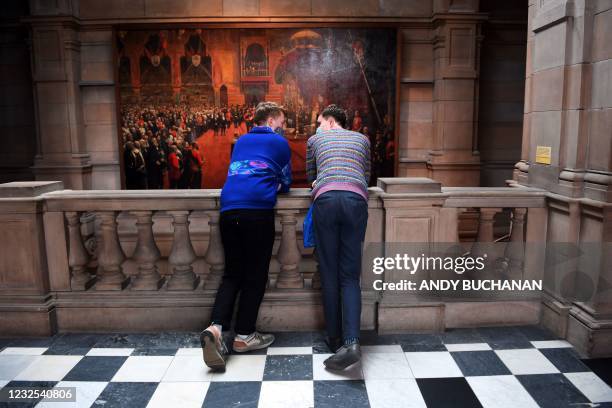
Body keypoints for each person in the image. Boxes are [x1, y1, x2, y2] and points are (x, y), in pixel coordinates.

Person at [200, 101, 291, 371]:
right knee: (256, 274)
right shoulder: (279, 142)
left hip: (229, 209)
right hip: (257, 211)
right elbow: (285, 184)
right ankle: (243, 336)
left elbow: (238, 171)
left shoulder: (240, 141)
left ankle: (216, 329)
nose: (283, 126)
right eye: (282, 121)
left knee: (232, 273)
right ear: (273, 119)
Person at [306, 104, 370, 370]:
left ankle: (334, 340)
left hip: (327, 200)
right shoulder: (363, 139)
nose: (318, 128)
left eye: (320, 122)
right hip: (356, 200)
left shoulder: (315, 140)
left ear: (331, 121)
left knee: (330, 272)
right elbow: (366, 174)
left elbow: (312, 177)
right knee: (350, 276)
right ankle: (352, 342)